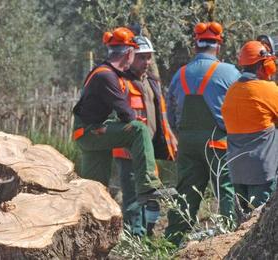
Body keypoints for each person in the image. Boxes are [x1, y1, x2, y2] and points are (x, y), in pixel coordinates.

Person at [72, 27, 176, 205]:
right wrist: (133, 143)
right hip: (90, 132)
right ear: (129, 53)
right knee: (138, 129)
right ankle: (148, 187)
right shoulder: (106, 76)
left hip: (91, 133)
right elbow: (127, 114)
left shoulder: (107, 73)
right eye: (135, 54)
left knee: (94, 189)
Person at [164, 22, 241, 245]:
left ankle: (171, 242)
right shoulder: (229, 72)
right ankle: (229, 239)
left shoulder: (180, 74)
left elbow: (171, 113)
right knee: (225, 191)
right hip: (218, 142)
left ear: (195, 46)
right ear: (218, 46)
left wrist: (183, 135)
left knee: (185, 193)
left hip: (187, 143)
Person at [112, 35, 178, 236]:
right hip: (128, 151)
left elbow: (161, 115)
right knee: (133, 199)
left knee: (152, 197)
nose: (147, 62)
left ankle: (148, 235)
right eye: (142, 57)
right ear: (130, 57)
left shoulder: (152, 82)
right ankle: (135, 240)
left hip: (148, 150)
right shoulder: (120, 82)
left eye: (149, 57)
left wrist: (171, 137)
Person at [221, 40, 278, 214]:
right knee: (260, 221)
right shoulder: (267, 89)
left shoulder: (232, 90)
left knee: (244, 220)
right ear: (262, 66)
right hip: (262, 171)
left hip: (237, 171)